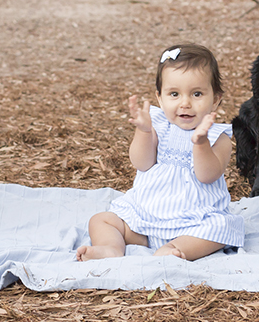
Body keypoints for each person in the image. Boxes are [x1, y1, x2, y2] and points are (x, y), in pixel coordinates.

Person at [75, 44, 244, 262]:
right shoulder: (157, 125)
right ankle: (110, 248)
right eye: (174, 94)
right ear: (160, 98)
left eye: (197, 94)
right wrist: (143, 131)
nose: (185, 103)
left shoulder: (217, 136)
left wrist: (200, 142)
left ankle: (176, 248)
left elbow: (207, 175)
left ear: (216, 99)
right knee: (101, 220)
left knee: (222, 228)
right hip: (144, 220)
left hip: (193, 224)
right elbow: (141, 162)